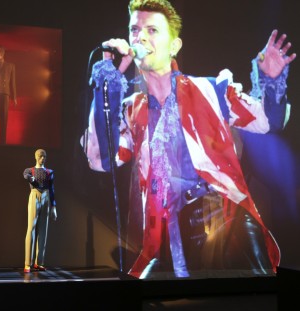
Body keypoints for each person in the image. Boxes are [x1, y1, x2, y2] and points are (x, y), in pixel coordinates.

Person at [81, 0, 296, 279]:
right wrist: (106, 84)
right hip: (169, 236)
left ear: (174, 46)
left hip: (223, 220)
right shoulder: (132, 110)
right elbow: (101, 160)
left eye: (152, 30)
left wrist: (271, 78)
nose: (140, 37)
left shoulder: (211, 90)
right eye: (135, 29)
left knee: (254, 295)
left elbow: (269, 121)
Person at [23, 149, 57, 273]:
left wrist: (54, 206)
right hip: (35, 194)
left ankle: (40, 262)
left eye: (44, 156)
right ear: (36, 157)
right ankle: (28, 262)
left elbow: (52, 189)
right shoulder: (30, 170)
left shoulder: (49, 172)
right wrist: (30, 179)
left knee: (44, 229)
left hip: (46, 196)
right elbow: (26, 175)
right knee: (31, 228)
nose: (43, 158)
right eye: (41, 156)